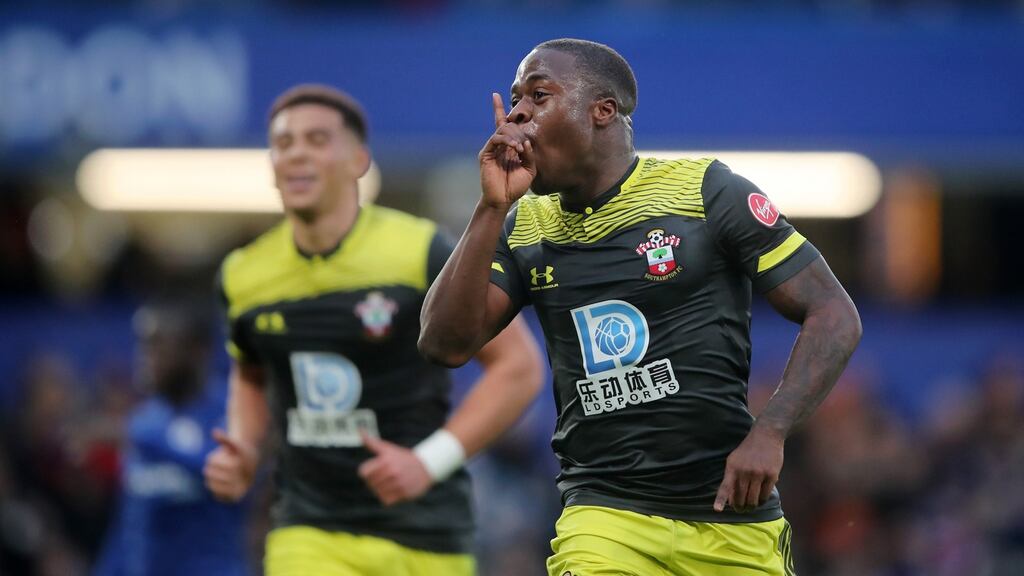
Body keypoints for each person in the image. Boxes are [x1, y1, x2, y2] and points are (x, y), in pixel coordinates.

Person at [418, 38, 863, 576]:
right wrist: (491, 208)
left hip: (731, 517)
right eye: (516, 99)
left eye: (538, 95)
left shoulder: (704, 192)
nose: (516, 113)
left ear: (603, 110)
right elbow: (443, 344)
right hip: (605, 517)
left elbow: (834, 314)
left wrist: (770, 431)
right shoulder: (524, 223)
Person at [203, 84, 544, 576]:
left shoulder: (419, 250)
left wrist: (427, 462)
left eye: (317, 140)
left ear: (359, 160)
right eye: (283, 143)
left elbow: (517, 368)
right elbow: (252, 371)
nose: (297, 153)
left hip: (426, 532)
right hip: (309, 530)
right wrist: (244, 448)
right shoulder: (242, 274)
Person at [94, 300, 250, 576]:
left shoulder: (231, 410)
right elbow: (131, 523)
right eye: (143, 346)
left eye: (158, 346)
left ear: (197, 351)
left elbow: (225, 476)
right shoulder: (145, 418)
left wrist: (141, 437)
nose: (145, 358)